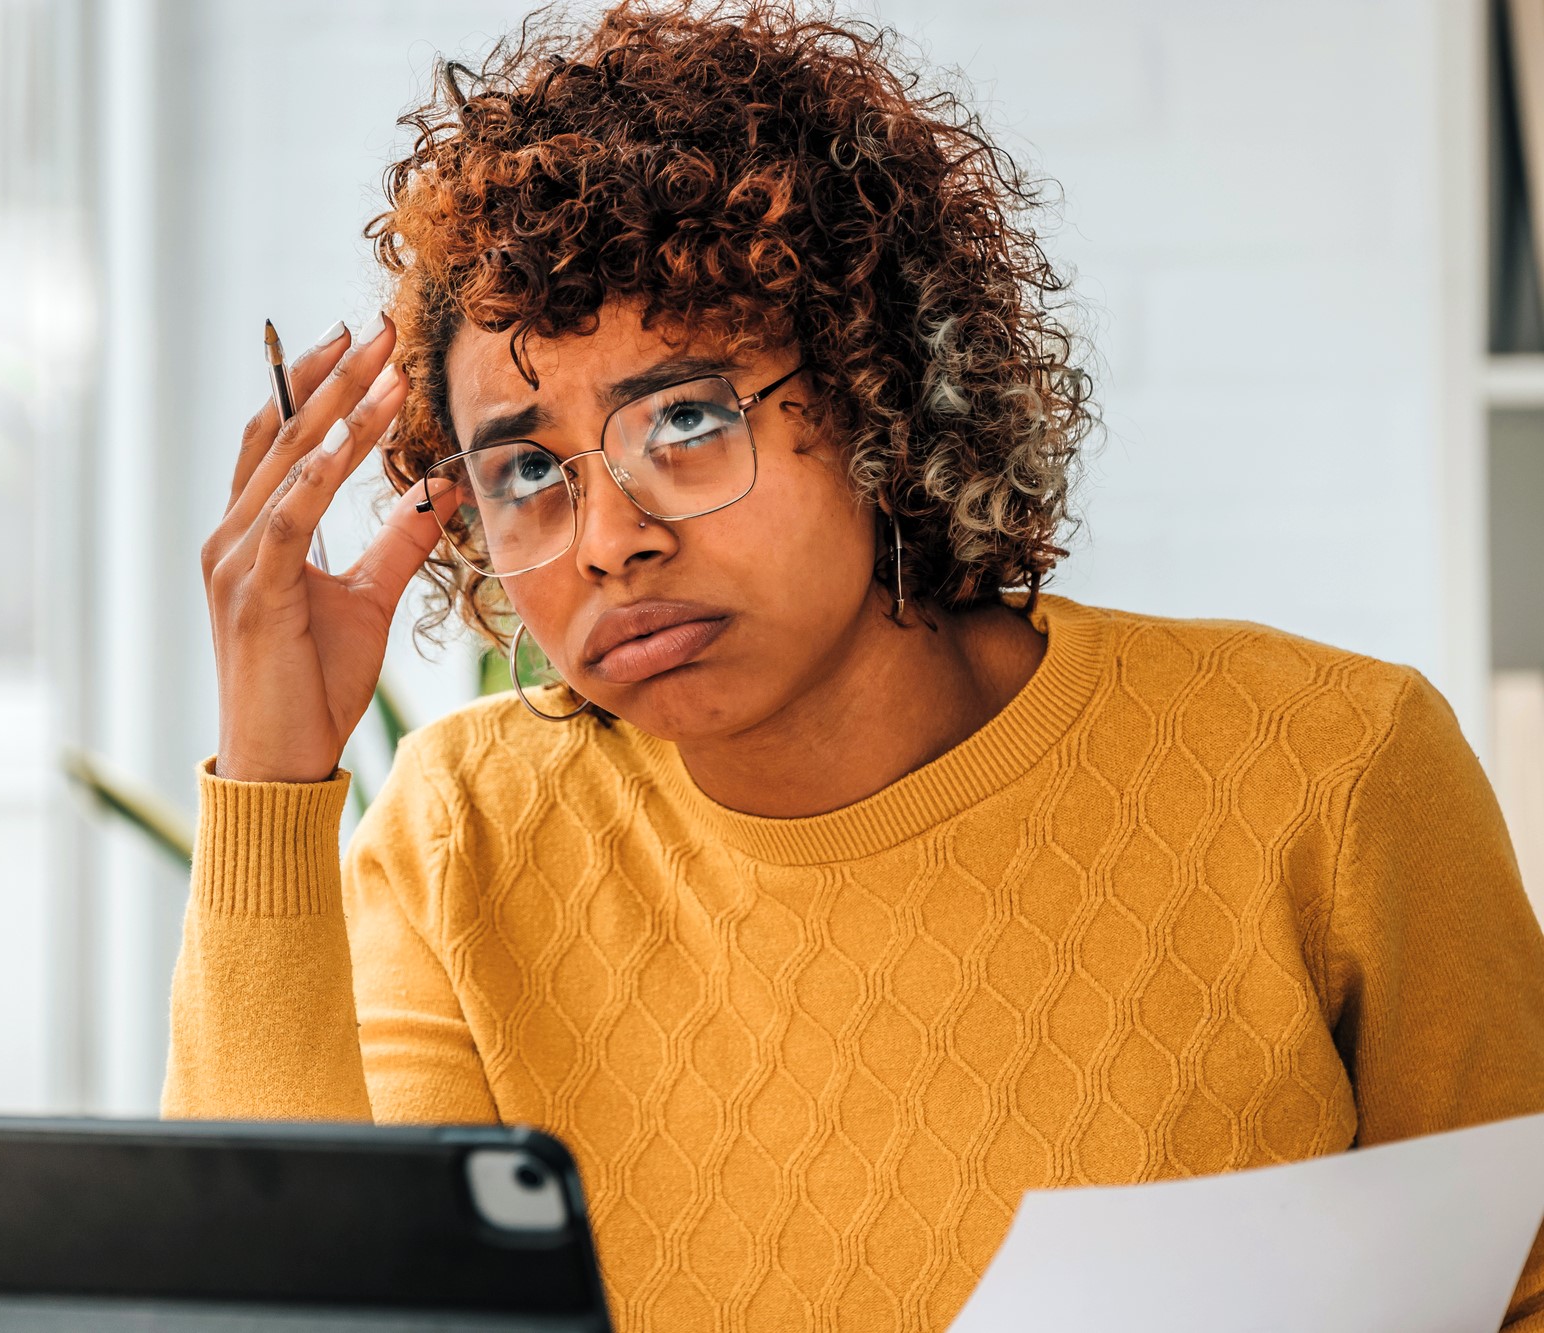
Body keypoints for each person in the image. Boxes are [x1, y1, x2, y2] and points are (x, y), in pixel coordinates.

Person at [165, 2, 1544, 1330]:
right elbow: (274, 1308)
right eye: (528, 469)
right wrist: (276, 778)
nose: (609, 539)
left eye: (689, 416)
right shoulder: (468, 829)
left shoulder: (1332, 769)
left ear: (879, 386)